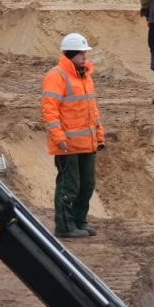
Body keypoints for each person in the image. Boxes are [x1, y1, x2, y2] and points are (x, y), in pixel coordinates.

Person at [41, 33, 106, 239]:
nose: (85, 57)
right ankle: (65, 226)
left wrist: (99, 135)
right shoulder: (56, 76)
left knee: (87, 184)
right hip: (67, 145)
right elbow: (49, 110)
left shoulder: (85, 77)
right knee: (69, 186)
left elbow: (91, 110)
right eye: (81, 54)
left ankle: (80, 221)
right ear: (70, 54)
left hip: (87, 143)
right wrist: (59, 138)